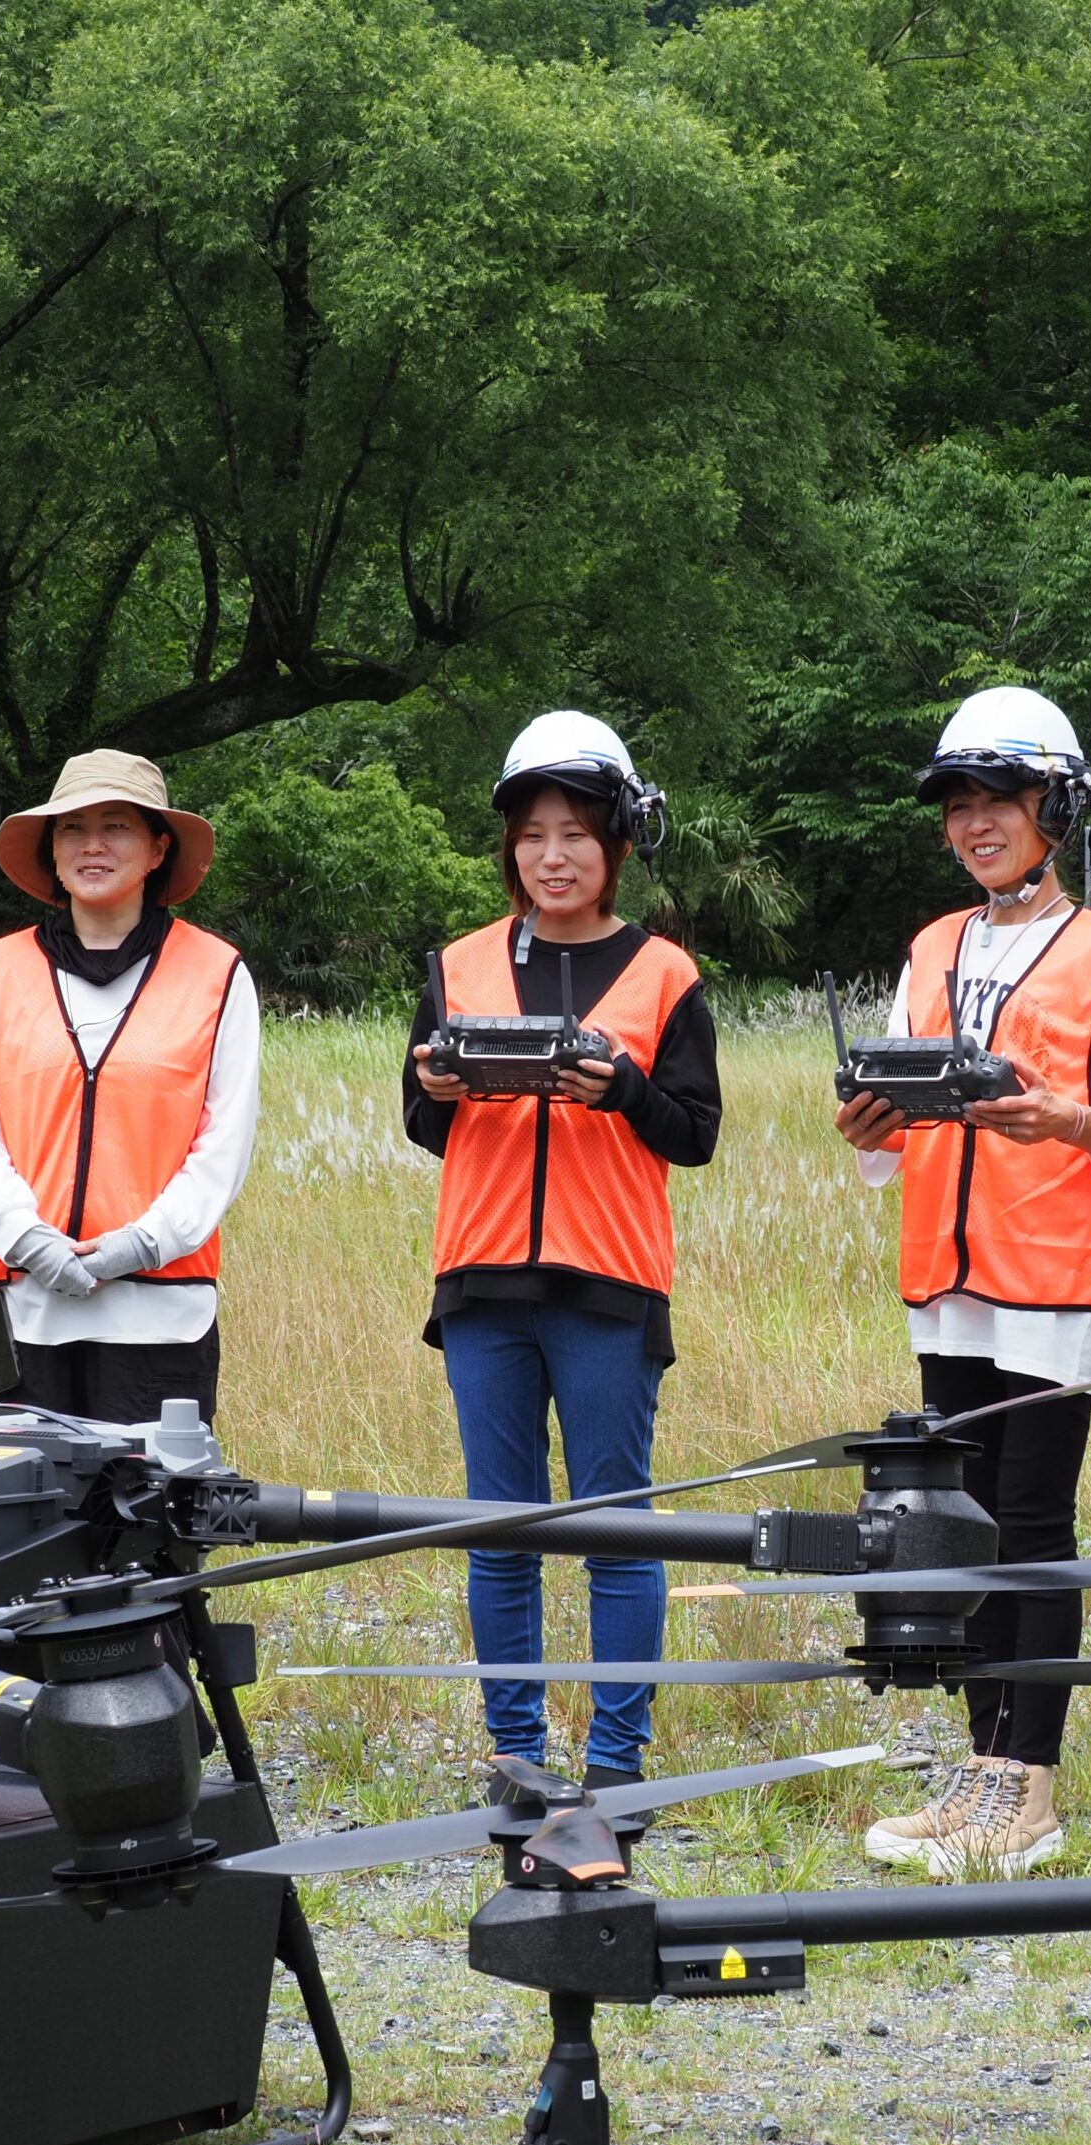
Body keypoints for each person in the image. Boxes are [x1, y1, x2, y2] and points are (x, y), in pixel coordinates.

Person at [836, 687, 1091, 1877]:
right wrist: (863, 1119)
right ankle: (982, 1769)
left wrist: (1056, 1119)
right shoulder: (932, 945)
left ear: (1054, 807)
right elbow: (881, 1131)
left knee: (1030, 1526)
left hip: (1052, 1274)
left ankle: (1028, 1789)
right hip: (946, 1272)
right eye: (958, 806)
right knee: (956, 1525)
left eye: (998, 801)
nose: (975, 825)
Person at [401, 712, 719, 1791]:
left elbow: (695, 1133)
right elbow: (422, 1119)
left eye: (575, 833)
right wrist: (436, 1087)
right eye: (532, 834)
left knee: (613, 1530)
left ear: (618, 842)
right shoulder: (457, 963)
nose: (551, 855)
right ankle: (516, 1754)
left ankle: (617, 1763)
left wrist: (623, 1088)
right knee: (500, 1529)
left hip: (604, 1284)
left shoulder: (665, 974)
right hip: (482, 1281)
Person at [0, 750, 256, 1424]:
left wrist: (140, 1244)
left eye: (116, 827)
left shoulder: (219, 974)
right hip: (20, 1313)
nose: (92, 846)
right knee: (17, 1521)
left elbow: (223, 1144)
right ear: (52, 851)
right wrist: (28, 1240)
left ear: (157, 849)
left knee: (152, 1525)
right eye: (72, 828)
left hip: (159, 1318)